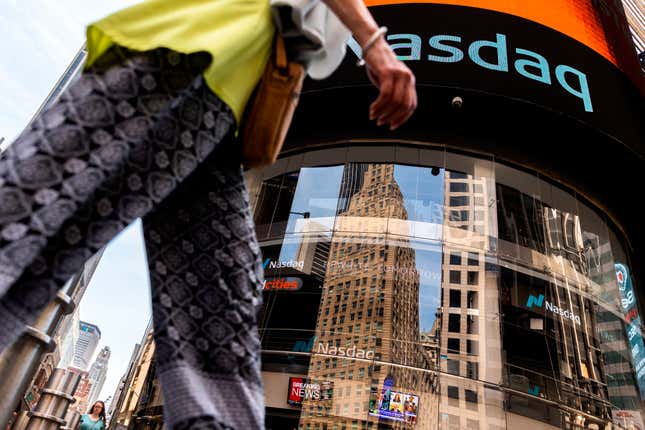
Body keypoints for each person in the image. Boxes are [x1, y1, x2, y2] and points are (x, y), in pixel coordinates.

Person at [0, 0, 417, 428]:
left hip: (220, 110)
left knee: (223, 299)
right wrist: (374, 43)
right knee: (32, 217)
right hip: (190, 56)